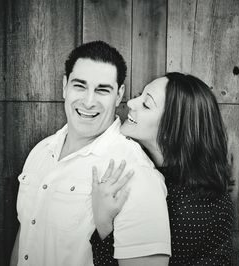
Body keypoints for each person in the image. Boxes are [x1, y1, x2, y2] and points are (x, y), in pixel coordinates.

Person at [9, 41, 171, 266]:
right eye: (79, 86)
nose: (88, 101)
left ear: (119, 95)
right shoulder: (41, 151)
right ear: (65, 86)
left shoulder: (134, 172)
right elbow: (27, 235)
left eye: (102, 90)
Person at [90, 72, 233, 265]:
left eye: (146, 104)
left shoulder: (193, 208)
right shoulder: (148, 168)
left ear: (173, 127)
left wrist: (103, 221)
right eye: (140, 95)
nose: (131, 103)